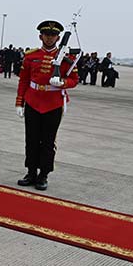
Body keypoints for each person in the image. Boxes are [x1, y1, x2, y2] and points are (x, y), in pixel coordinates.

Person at [15, 20, 79, 191]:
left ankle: (43, 174)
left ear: (58, 38)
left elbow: (74, 80)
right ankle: (31, 172)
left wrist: (62, 82)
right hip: (33, 101)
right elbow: (24, 80)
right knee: (32, 139)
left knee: (48, 141)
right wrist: (19, 102)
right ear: (40, 36)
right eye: (46, 35)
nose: (49, 38)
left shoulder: (66, 58)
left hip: (53, 103)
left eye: (52, 35)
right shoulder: (31, 56)